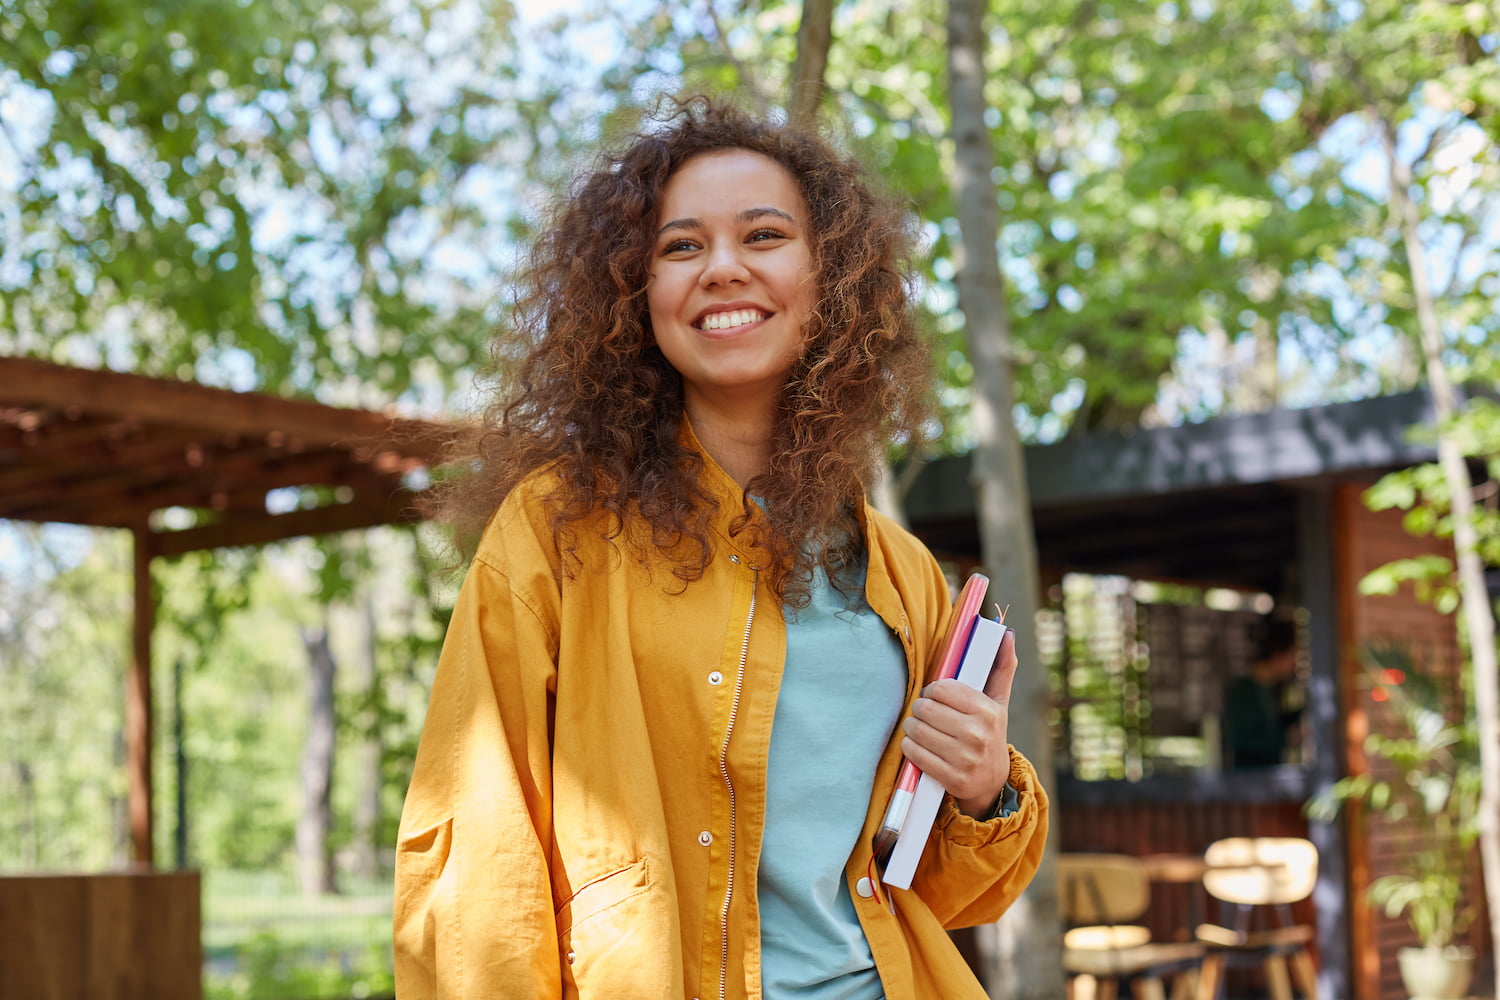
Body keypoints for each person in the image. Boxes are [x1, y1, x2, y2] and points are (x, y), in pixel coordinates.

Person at [393, 96, 1048, 1000]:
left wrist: (984, 790)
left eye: (765, 235)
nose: (723, 269)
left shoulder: (900, 572)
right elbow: (477, 868)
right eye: (681, 246)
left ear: (834, 280)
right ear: (636, 294)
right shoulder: (556, 534)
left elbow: (940, 891)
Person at [1224, 618, 1303, 769]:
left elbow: (1271, 724)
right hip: (1252, 780)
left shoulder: (1271, 689)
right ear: (1277, 655)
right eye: (1292, 656)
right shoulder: (1244, 692)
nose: (1295, 665)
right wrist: (1285, 739)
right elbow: (1242, 740)